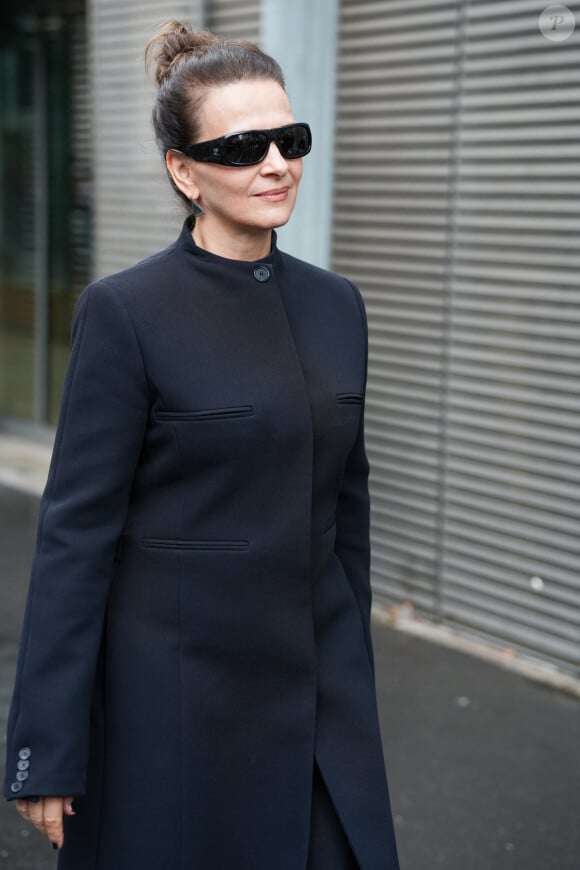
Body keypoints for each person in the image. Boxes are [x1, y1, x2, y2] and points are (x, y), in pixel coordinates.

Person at [3, 20, 400, 870]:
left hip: (319, 705)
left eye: (289, 139)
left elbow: (349, 510)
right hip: (178, 712)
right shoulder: (127, 312)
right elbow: (76, 537)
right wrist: (47, 743)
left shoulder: (340, 307)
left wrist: (350, 669)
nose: (275, 164)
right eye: (243, 146)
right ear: (183, 170)